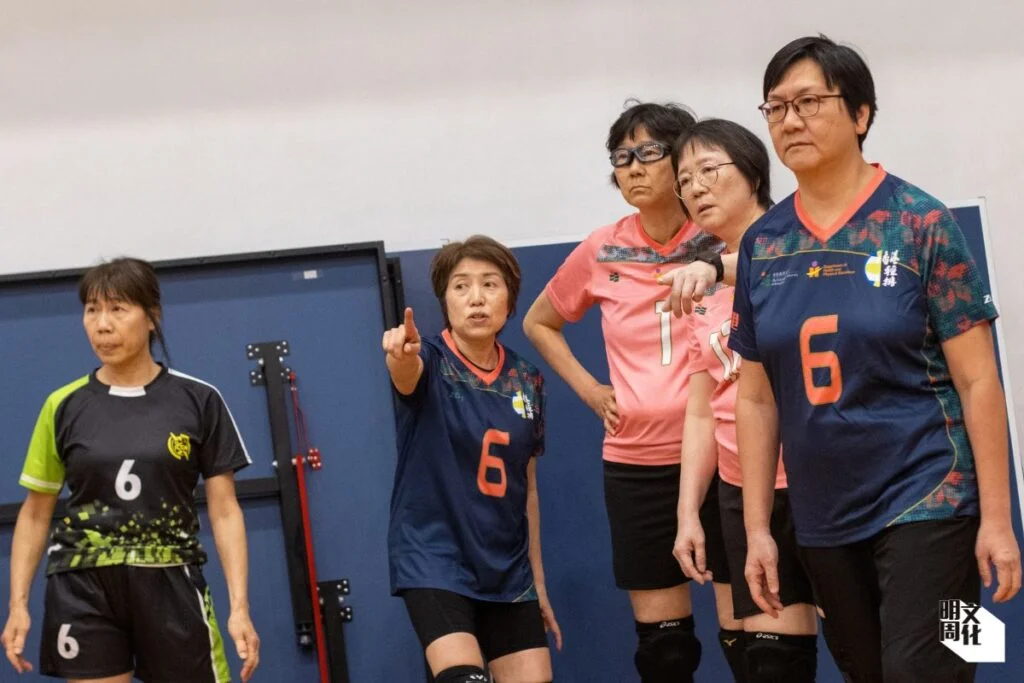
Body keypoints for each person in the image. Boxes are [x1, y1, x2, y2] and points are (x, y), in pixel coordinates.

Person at [730, 35, 1022, 682]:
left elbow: (979, 380)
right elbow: (755, 397)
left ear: (861, 114)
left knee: (933, 669)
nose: (790, 120)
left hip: (934, 500)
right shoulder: (763, 244)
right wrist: (758, 530)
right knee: (868, 672)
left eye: (810, 101)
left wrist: (997, 520)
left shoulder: (922, 221)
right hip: (824, 517)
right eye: (776, 107)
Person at [523, 101, 743, 683]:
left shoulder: (720, 239)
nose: (634, 167)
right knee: (665, 651)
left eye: (649, 152)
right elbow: (539, 322)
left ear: (683, 161)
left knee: (751, 642)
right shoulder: (602, 248)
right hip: (638, 463)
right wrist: (591, 390)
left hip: (725, 458)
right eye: (622, 158)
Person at [1, 257, 260, 682]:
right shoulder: (61, 405)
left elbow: (225, 510)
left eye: (118, 309)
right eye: (92, 310)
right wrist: (18, 606)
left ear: (152, 316)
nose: (102, 325)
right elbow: (34, 514)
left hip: (170, 580)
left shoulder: (199, 400)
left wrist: (240, 609)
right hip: (84, 585)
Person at [670, 119, 818, 683]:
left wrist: (712, 268)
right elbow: (701, 408)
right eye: (686, 180)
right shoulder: (698, 285)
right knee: (769, 663)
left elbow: (777, 263)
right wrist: (688, 512)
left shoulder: (803, 239)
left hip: (827, 477)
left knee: (907, 641)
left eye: (709, 170)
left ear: (754, 173)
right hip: (747, 489)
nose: (696, 188)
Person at [384, 235, 560, 683]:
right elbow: (406, 374)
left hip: (507, 568)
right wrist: (399, 357)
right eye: (461, 286)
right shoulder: (429, 358)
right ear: (446, 301)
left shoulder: (528, 379)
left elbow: (527, 489)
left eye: (489, 284)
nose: (476, 298)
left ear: (510, 300)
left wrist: (537, 583)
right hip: (435, 558)